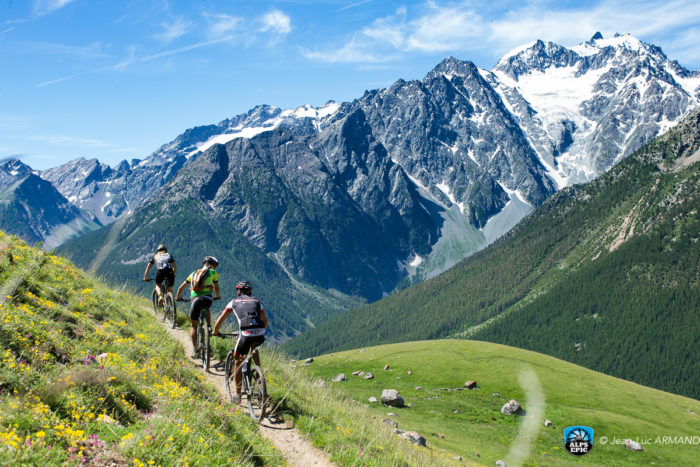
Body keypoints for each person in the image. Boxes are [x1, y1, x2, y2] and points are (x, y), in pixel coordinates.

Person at [213, 280, 268, 404]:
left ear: (238, 291)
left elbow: (221, 318)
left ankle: (237, 395)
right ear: (250, 292)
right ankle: (259, 374)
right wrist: (258, 332)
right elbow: (265, 321)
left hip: (245, 334)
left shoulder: (233, 302)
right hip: (260, 333)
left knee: (237, 361)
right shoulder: (257, 302)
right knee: (253, 347)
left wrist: (216, 331)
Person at [176, 256, 221, 358]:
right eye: (215, 266)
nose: (215, 268)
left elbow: (181, 287)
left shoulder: (193, 273)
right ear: (211, 265)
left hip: (195, 300)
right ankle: (209, 327)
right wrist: (217, 296)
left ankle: (196, 350)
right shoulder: (213, 273)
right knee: (206, 307)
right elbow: (216, 287)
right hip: (207, 299)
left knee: (193, 326)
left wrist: (178, 298)